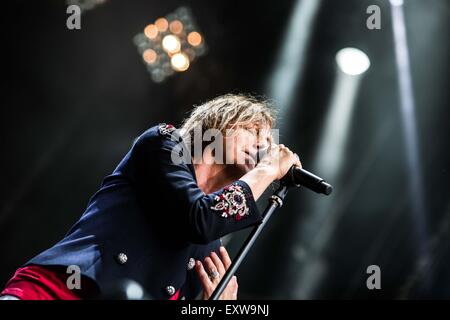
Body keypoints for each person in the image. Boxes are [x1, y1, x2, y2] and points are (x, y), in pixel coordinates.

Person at [0, 94, 301, 300]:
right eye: (252, 131)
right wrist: (270, 169)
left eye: (267, 141)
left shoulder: (211, 242)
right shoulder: (164, 142)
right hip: (61, 290)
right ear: (218, 125)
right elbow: (200, 216)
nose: (263, 146)